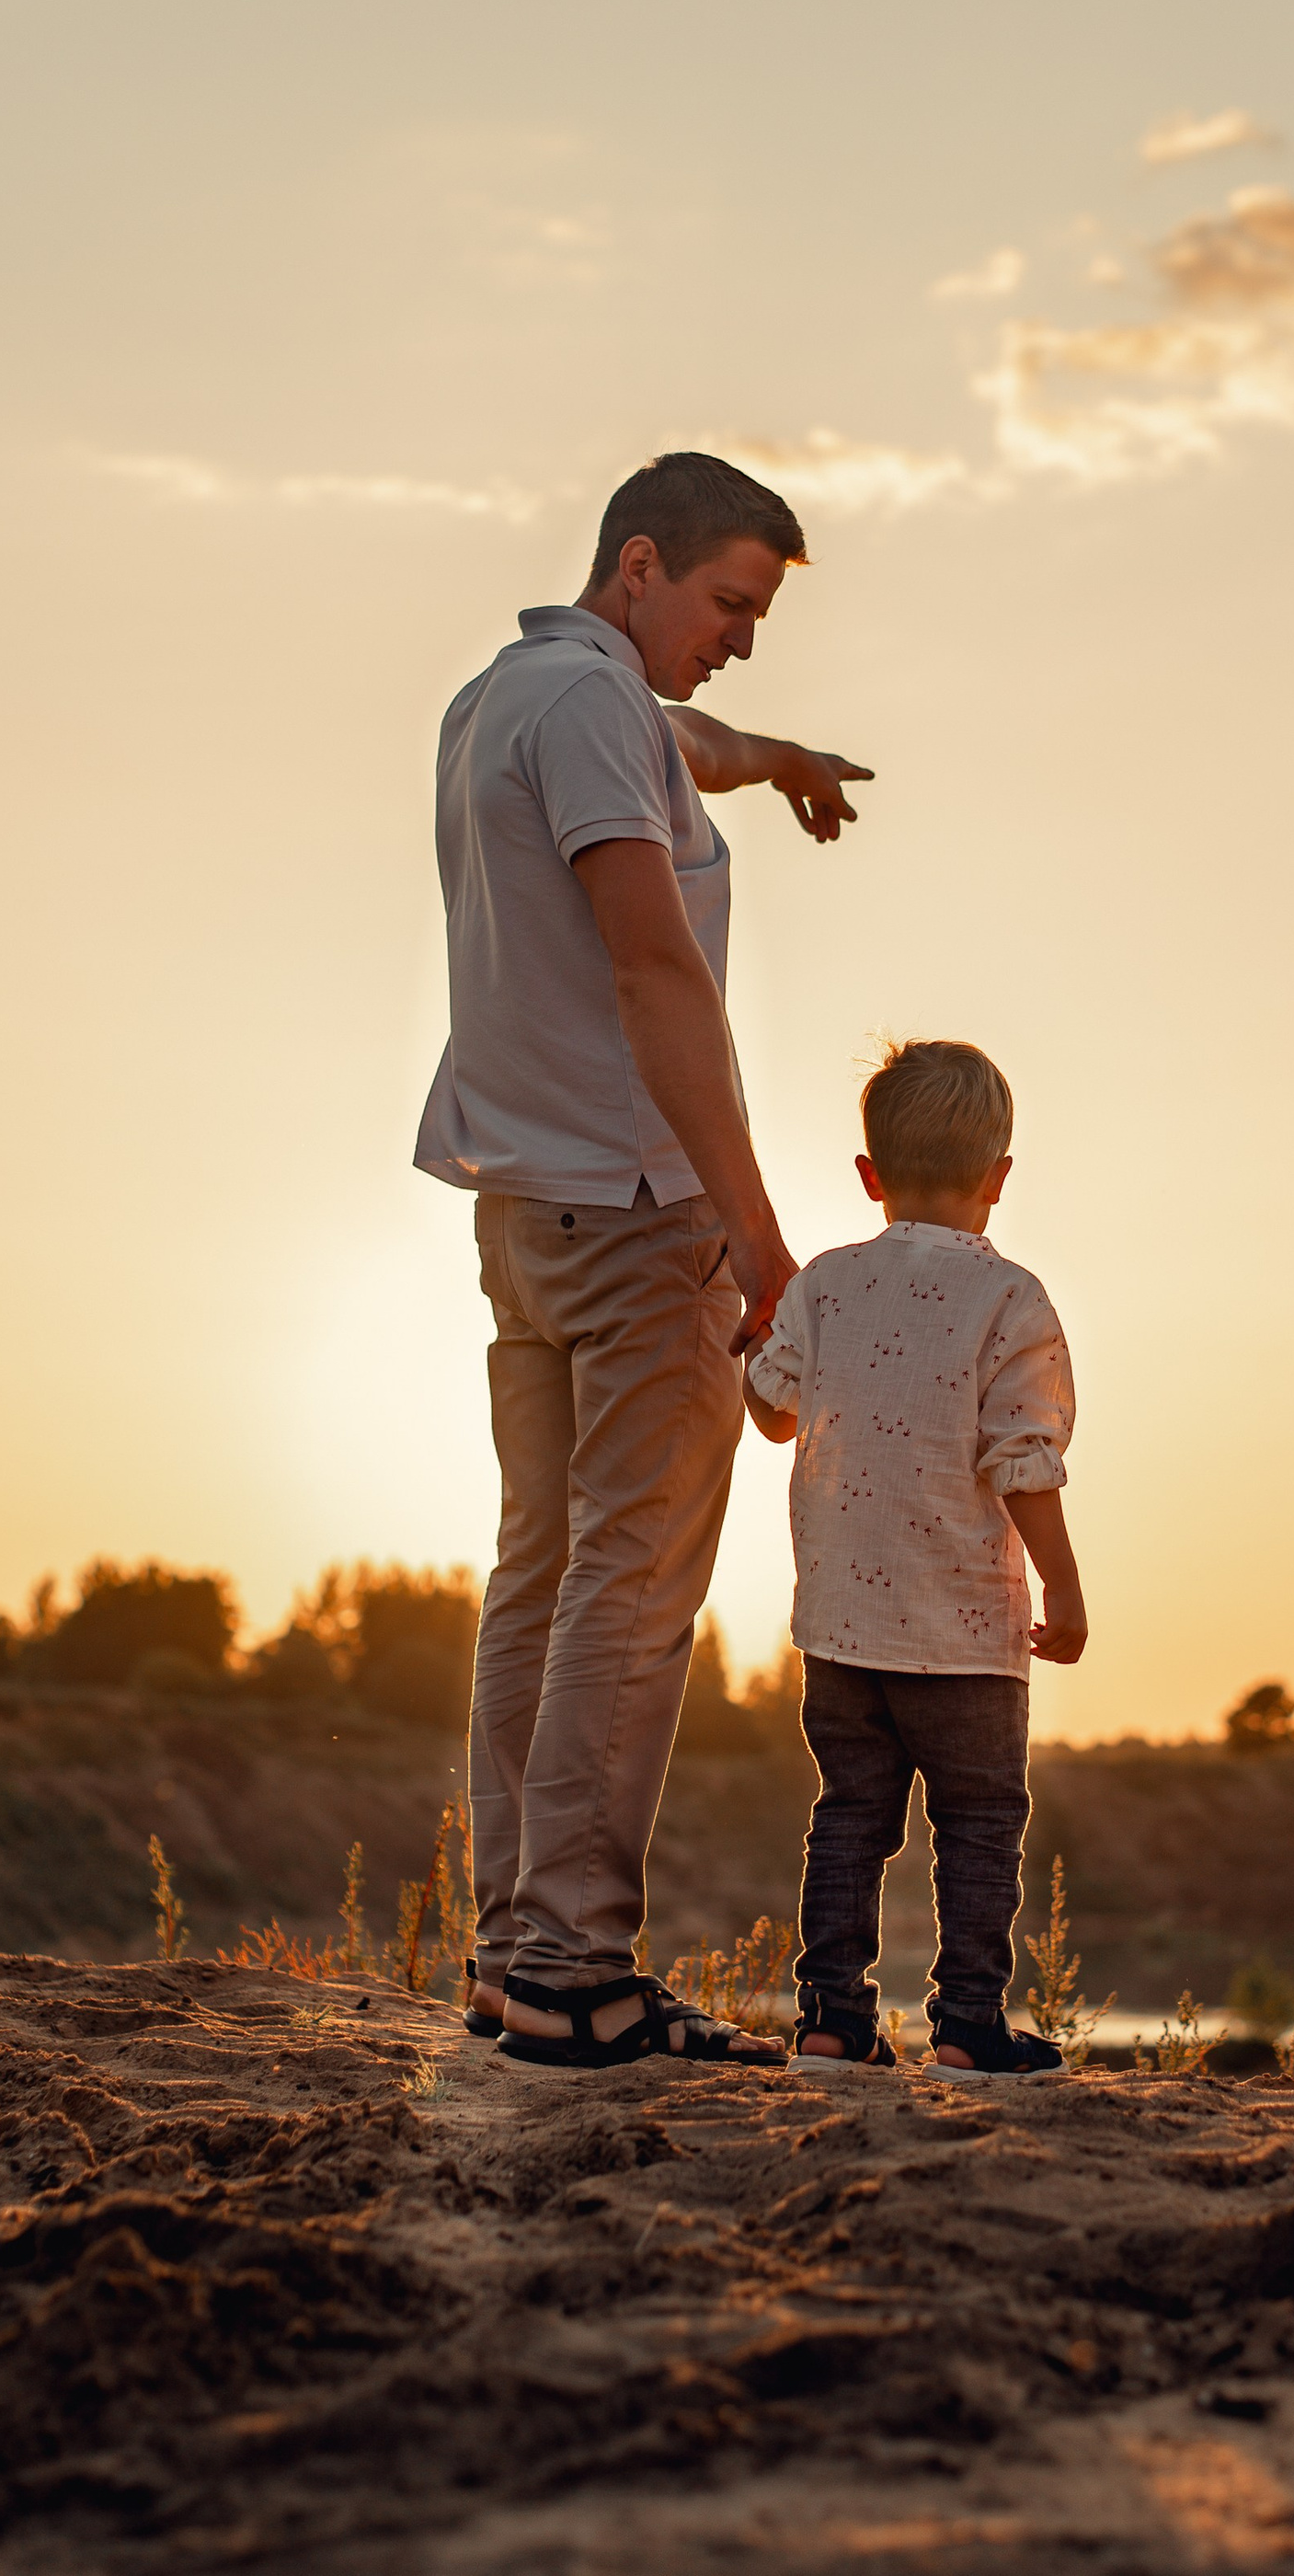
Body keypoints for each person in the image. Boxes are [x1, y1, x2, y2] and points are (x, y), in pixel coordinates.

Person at [417, 450, 872, 2069]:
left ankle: (515, 1951)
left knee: (538, 1573)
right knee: (631, 1581)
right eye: (730, 601)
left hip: (519, 1211)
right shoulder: (598, 715)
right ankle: (570, 1961)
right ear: (638, 566)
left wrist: (787, 758)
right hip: (635, 1210)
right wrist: (758, 1239)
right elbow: (657, 974)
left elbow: (700, 743)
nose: (743, 635)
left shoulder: (509, 698)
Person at [744, 1038, 1085, 2080]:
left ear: (868, 1176)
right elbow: (1022, 1460)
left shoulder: (825, 1288)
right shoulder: (1012, 1301)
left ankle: (831, 2022)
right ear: (999, 1176)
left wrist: (752, 1333)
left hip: (841, 1631)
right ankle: (968, 2026)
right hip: (966, 1634)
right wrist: (1064, 1589)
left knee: (849, 1816)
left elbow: (768, 1411)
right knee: (978, 1825)